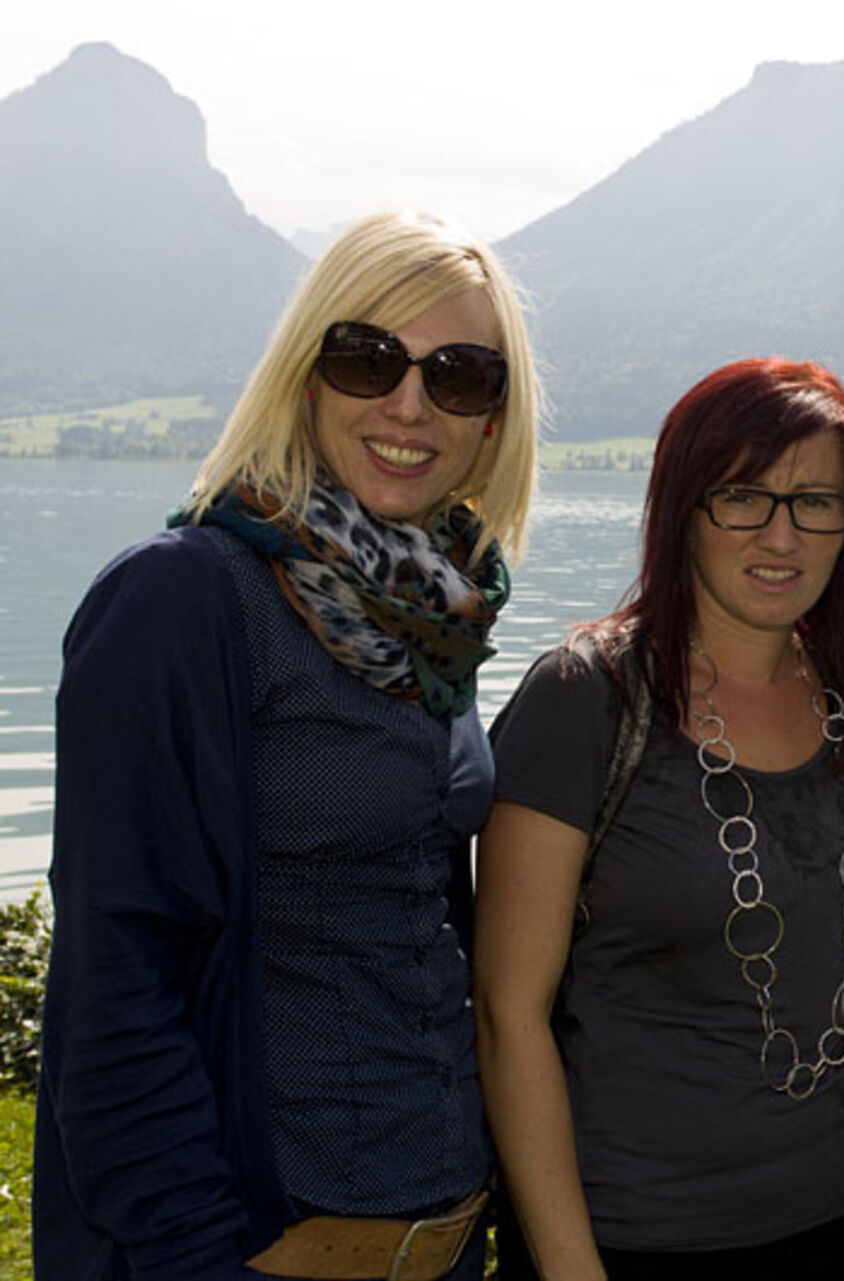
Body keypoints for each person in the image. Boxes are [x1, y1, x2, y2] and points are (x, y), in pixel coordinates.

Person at [34, 210, 541, 1281]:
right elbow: (114, 993)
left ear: (495, 418)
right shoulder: (183, 599)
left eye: (458, 376)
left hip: (447, 1240)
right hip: (259, 1250)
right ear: (307, 375)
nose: (410, 404)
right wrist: (192, 1256)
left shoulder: (434, 617)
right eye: (367, 358)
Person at [475, 358, 844, 1278]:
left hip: (833, 1222)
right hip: (628, 1237)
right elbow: (508, 1014)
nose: (781, 534)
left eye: (816, 501)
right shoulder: (585, 698)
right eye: (743, 496)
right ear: (683, 508)